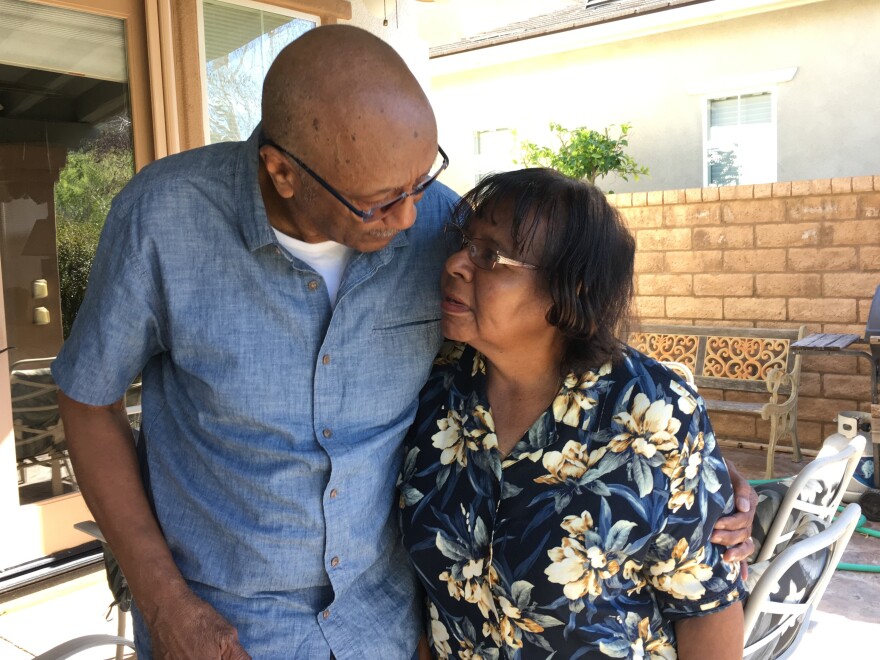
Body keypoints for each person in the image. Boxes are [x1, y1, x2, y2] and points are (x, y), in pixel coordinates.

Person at [53, 24, 754, 660]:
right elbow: (88, 401)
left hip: (381, 631)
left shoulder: (439, 226)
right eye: (382, 199)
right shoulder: (163, 219)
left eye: (424, 180)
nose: (417, 218)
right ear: (283, 171)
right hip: (223, 630)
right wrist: (163, 601)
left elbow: (565, 350)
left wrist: (699, 484)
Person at [398, 168, 745, 659]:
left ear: (572, 289)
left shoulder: (654, 415)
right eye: (463, 241)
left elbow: (706, 609)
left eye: (490, 255)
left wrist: (715, 476)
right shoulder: (437, 387)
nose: (455, 263)